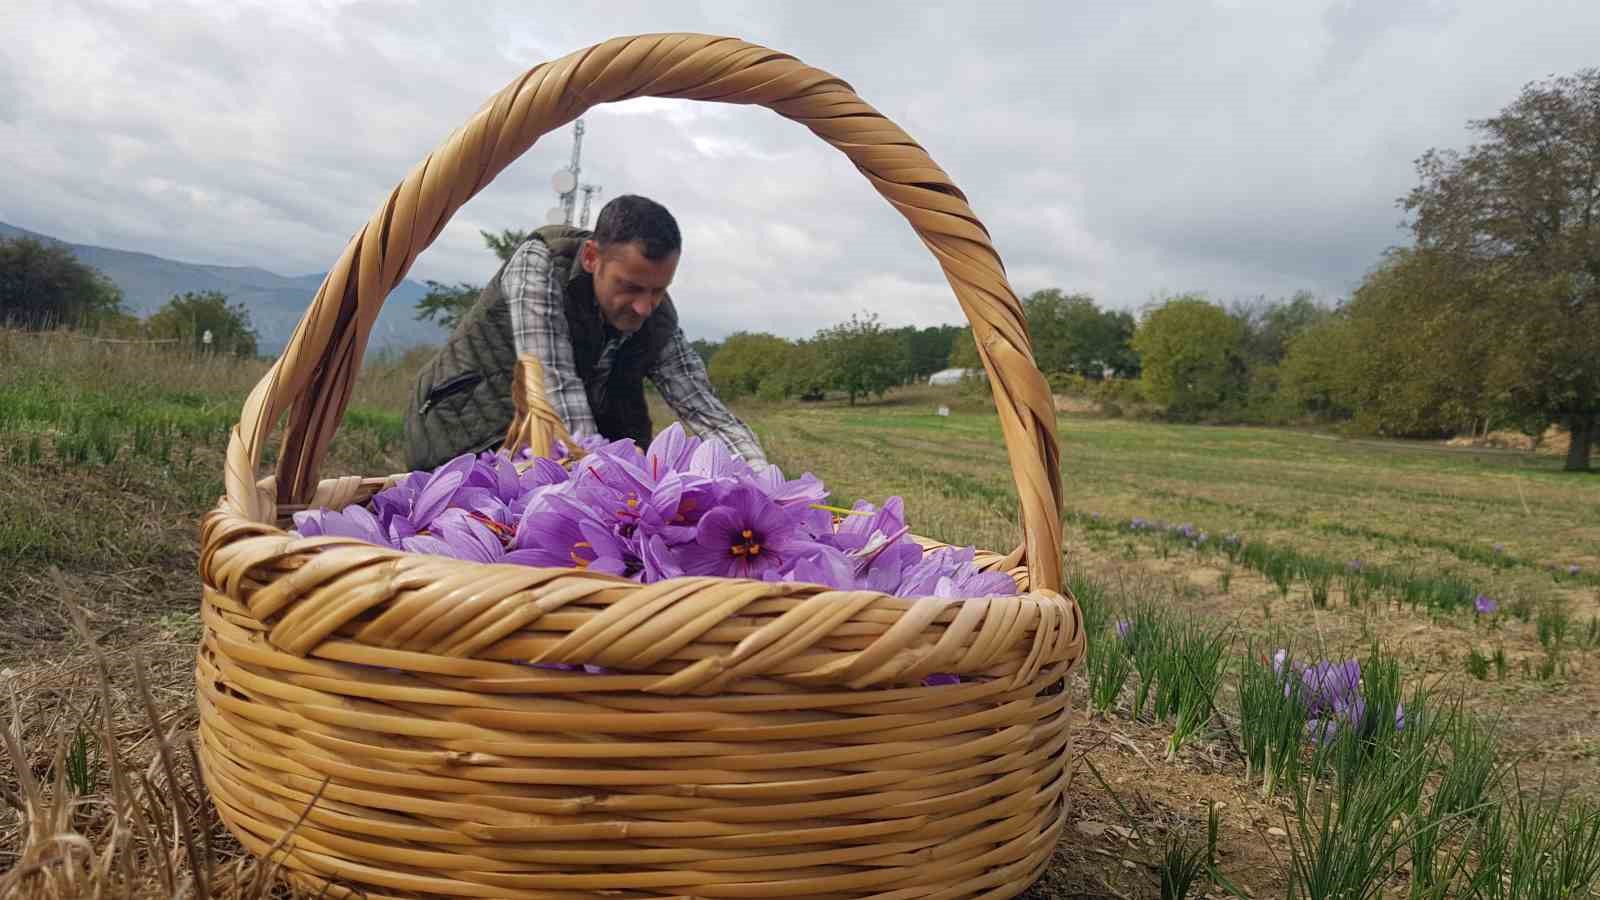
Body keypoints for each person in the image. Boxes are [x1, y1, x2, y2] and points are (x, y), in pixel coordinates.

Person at [403, 194, 768, 472]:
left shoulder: (656, 316)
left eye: (659, 290)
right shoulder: (541, 263)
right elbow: (554, 382)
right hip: (464, 439)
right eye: (630, 287)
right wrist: (605, 480)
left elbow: (705, 409)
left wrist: (766, 488)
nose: (644, 306)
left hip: (549, 462)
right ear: (592, 257)